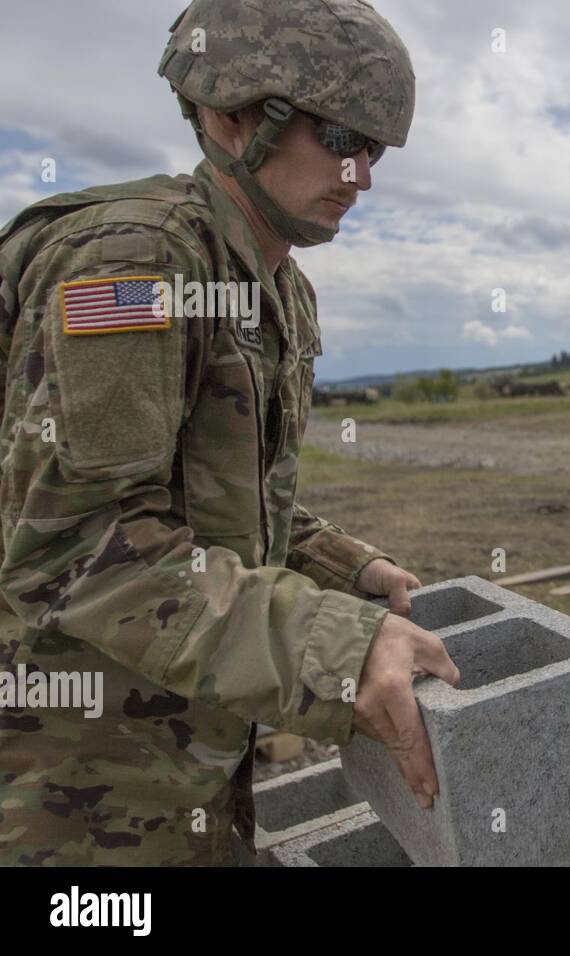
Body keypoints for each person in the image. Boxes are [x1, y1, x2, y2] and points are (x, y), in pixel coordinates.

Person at [0, 0, 458, 865]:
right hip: (76, 786)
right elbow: (76, 544)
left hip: (194, 753)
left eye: (375, 148)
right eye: (335, 135)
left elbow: (213, 495)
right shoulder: (131, 263)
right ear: (228, 114)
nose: (359, 175)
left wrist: (338, 564)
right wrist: (338, 649)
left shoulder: (279, 286)